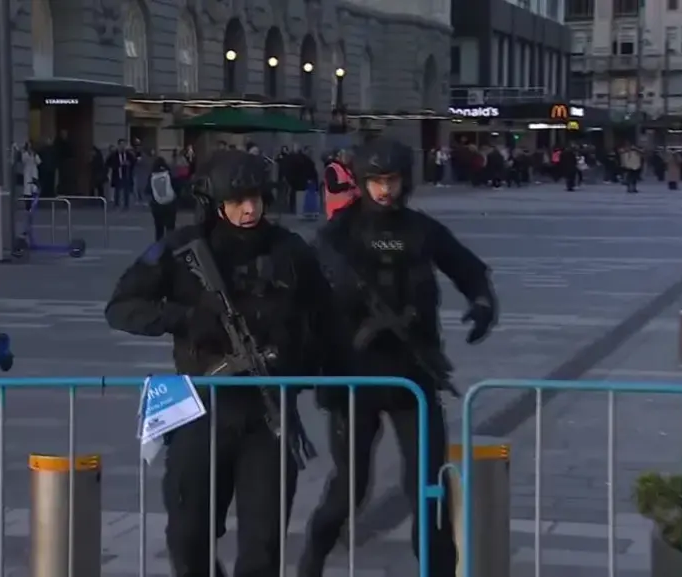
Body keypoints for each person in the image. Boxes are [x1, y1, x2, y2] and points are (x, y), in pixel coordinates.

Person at [104, 149, 347, 577]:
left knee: (263, 545)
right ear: (215, 203)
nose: (250, 208)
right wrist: (185, 318)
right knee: (187, 534)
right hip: (199, 407)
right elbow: (121, 307)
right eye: (237, 200)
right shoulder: (182, 248)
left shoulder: (290, 250)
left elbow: (326, 319)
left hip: (269, 414)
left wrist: (331, 379)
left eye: (256, 198)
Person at [301, 137, 498, 577]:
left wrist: (482, 302)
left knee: (428, 487)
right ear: (362, 182)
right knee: (350, 487)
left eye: (391, 181)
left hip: (414, 376)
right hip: (354, 381)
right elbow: (301, 298)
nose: (384, 190)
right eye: (376, 181)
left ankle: (436, 568)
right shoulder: (336, 236)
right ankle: (311, 560)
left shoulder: (421, 230)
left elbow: (468, 268)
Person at [323, 148, 359, 219]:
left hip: (349, 207)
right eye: (345, 155)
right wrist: (348, 185)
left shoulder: (347, 169)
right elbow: (332, 188)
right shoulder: (332, 169)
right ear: (338, 157)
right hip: (337, 209)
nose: (348, 158)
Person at [147, 157, 177, 241]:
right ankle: (170, 246)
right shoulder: (168, 174)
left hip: (157, 206)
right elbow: (176, 186)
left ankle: (159, 247)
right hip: (170, 205)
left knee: (159, 229)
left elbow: (148, 190)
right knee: (170, 228)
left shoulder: (152, 175)